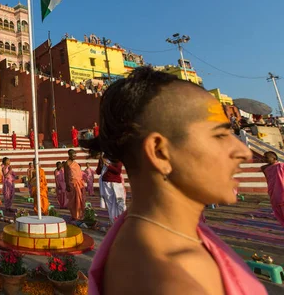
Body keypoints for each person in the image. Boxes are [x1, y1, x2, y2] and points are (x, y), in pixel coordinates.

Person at [87, 67, 266, 295]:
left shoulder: (165, 236)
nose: (244, 152)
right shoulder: (170, 280)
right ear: (160, 152)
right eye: (219, 135)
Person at [96, 151, 126, 224]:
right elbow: (98, 172)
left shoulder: (116, 158)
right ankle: (114, 222)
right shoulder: (103, 158)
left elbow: (118, 171)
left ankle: (122, 221)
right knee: (110, 205)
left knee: (119, 203)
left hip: (115, 184)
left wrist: (107, 164)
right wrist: (101, 163)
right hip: (105, 185)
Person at [261, 151, 284, 227]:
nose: (264, 159)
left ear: (274, 158)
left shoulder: (281, 166)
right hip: (273, 193)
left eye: (266, 157)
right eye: (264, 157)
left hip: (282, 192)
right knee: (279, 212)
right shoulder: (264, 168)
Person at [64, 149, 84, 221]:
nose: (75, 156)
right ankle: (74, 215)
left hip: (79, 184)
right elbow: (66, 175)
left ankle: (79, 215)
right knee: (73, 201)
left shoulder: (76, 163)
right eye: (73, 155)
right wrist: (67, 185)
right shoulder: (67, 163)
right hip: (72, 184)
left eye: (75, 155)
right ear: (69, 155)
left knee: (79, 200)